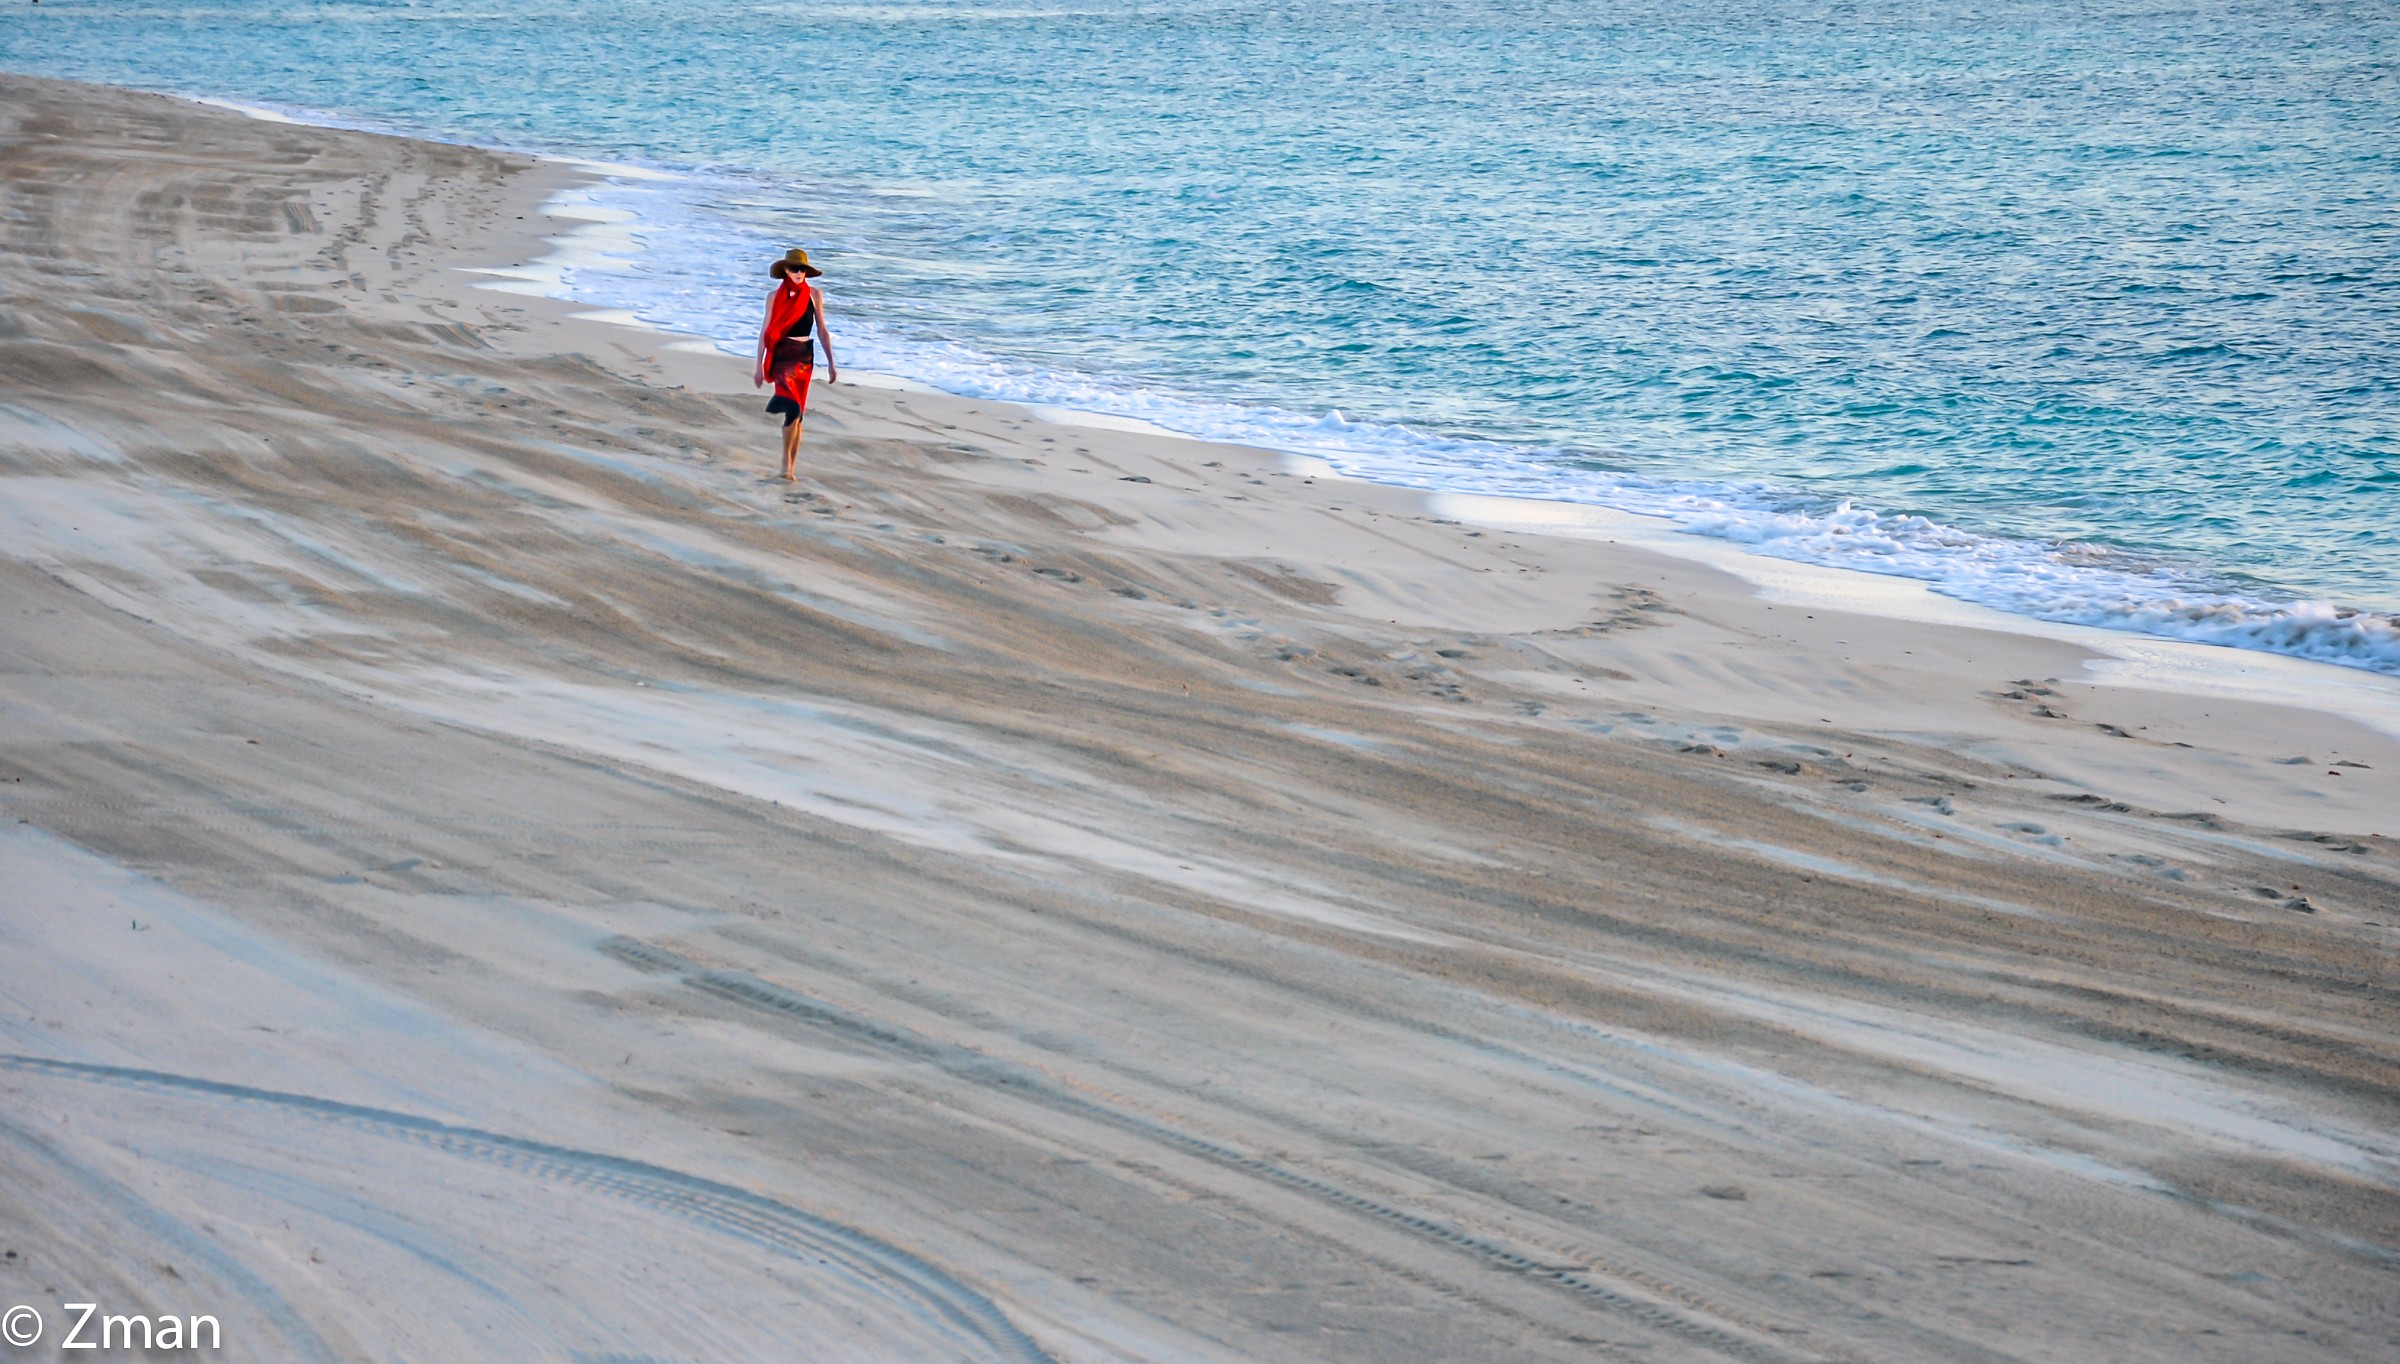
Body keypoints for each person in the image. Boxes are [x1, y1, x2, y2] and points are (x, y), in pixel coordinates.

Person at [755, 248, 838, 480]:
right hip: (783, 355)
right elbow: (765, 331)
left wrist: (831, 362)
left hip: (805, 357)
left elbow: (822, 329)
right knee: (792, 408)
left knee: (799, 414)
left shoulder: (814, 295)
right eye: (793, 269)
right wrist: (758, 364)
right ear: (785, 271)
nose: (798, 273)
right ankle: (785, 465)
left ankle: (792, 465)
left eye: (802, 269)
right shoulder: (773, 297)